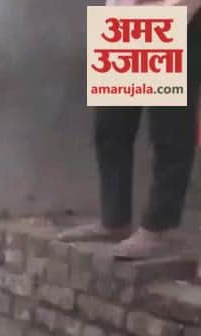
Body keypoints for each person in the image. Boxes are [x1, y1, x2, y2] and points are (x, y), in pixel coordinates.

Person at [60, 0, 201, 264]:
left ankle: (157, 227)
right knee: (111, 126)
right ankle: (114, 220)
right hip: (123, 13)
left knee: (168, 131)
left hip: (174, 12)